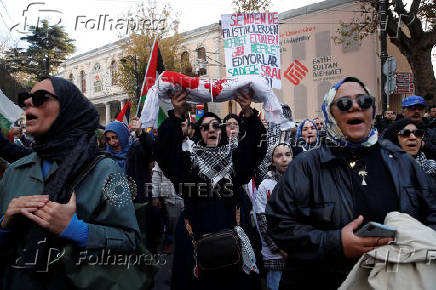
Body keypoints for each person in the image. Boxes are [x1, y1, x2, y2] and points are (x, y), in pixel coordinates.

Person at [266, 77, 436, 290]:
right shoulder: (306, 166)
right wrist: (336, 243)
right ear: (330, 113)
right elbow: (278, 224)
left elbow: (431, 214)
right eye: (345, 103)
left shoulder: (402, 161)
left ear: (372, 111)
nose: (355, 106)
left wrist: (411, 246)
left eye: (364, 101)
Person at [0, 76, 140, 289]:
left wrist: (74, 229)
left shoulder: (105, 170)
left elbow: (130, 241)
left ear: (68, 107)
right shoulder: (14, 172)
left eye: (39, 98)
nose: (28, 103)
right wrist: (5, 225)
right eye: (25, 99)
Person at [154, 88, 266, 290]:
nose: (211, 129)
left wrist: (248, 111)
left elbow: (256, 148)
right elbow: (164, 153)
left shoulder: (235, 161)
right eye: (205, 127)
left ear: (222, 131)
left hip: (235, 249)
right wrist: (175, 114)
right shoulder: (187, 164)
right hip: (196, 249)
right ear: (199, 133)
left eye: (216, 125)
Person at [254, 143, 292, 290]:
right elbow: (262, 221)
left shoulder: (301, 181)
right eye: (279, 155)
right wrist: (279, 248)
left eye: (288, 154)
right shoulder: (265, 185)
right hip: (275, 255)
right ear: (272, 161)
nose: (284, 159)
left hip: (297, 252)